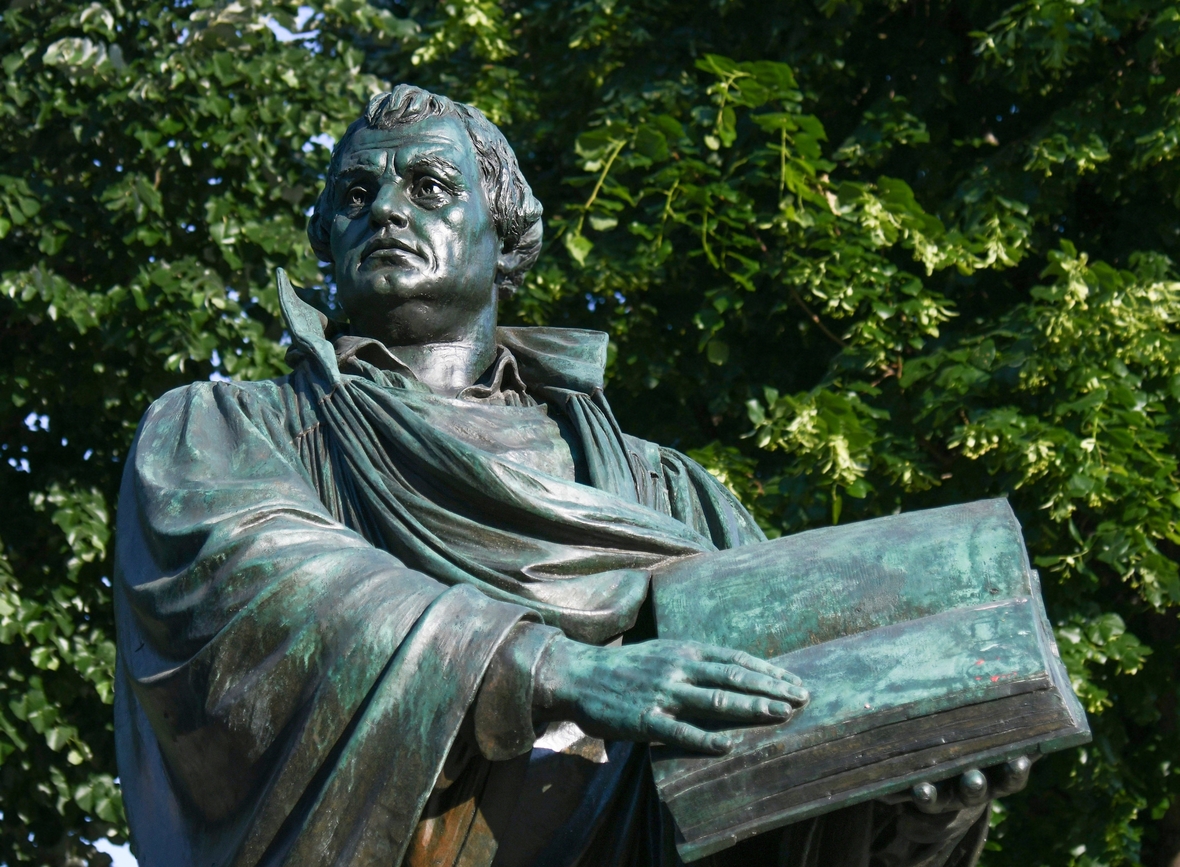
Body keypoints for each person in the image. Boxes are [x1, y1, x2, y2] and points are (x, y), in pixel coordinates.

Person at [113, 85, 1027, 867]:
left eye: (428, 185)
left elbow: (781, 749)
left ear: (504, 239)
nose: (386, 209)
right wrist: (556, 672)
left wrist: (921, 804)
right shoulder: (225, 429)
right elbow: (273, 586)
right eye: (356, 193)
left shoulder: (665, 490)